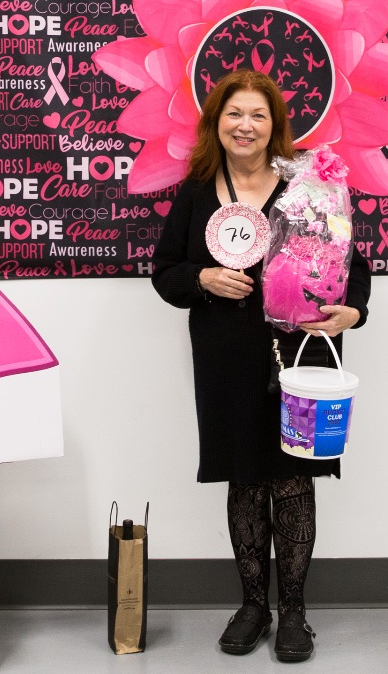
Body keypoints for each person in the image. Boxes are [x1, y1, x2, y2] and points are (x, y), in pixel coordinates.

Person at [152, 70, 370, 662]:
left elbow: (351, 263)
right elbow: (165, 273)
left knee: (294, 478)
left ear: (276, 126)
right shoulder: (197, 192)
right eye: (234, 114)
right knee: (244, 477)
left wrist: (353, 311)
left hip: (301, 352)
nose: (244, 125)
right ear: (215, 123)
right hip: (224, 353)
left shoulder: (309, 186)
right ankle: (253, 606)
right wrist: (202, 277)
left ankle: (294, 612)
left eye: (257, 115)